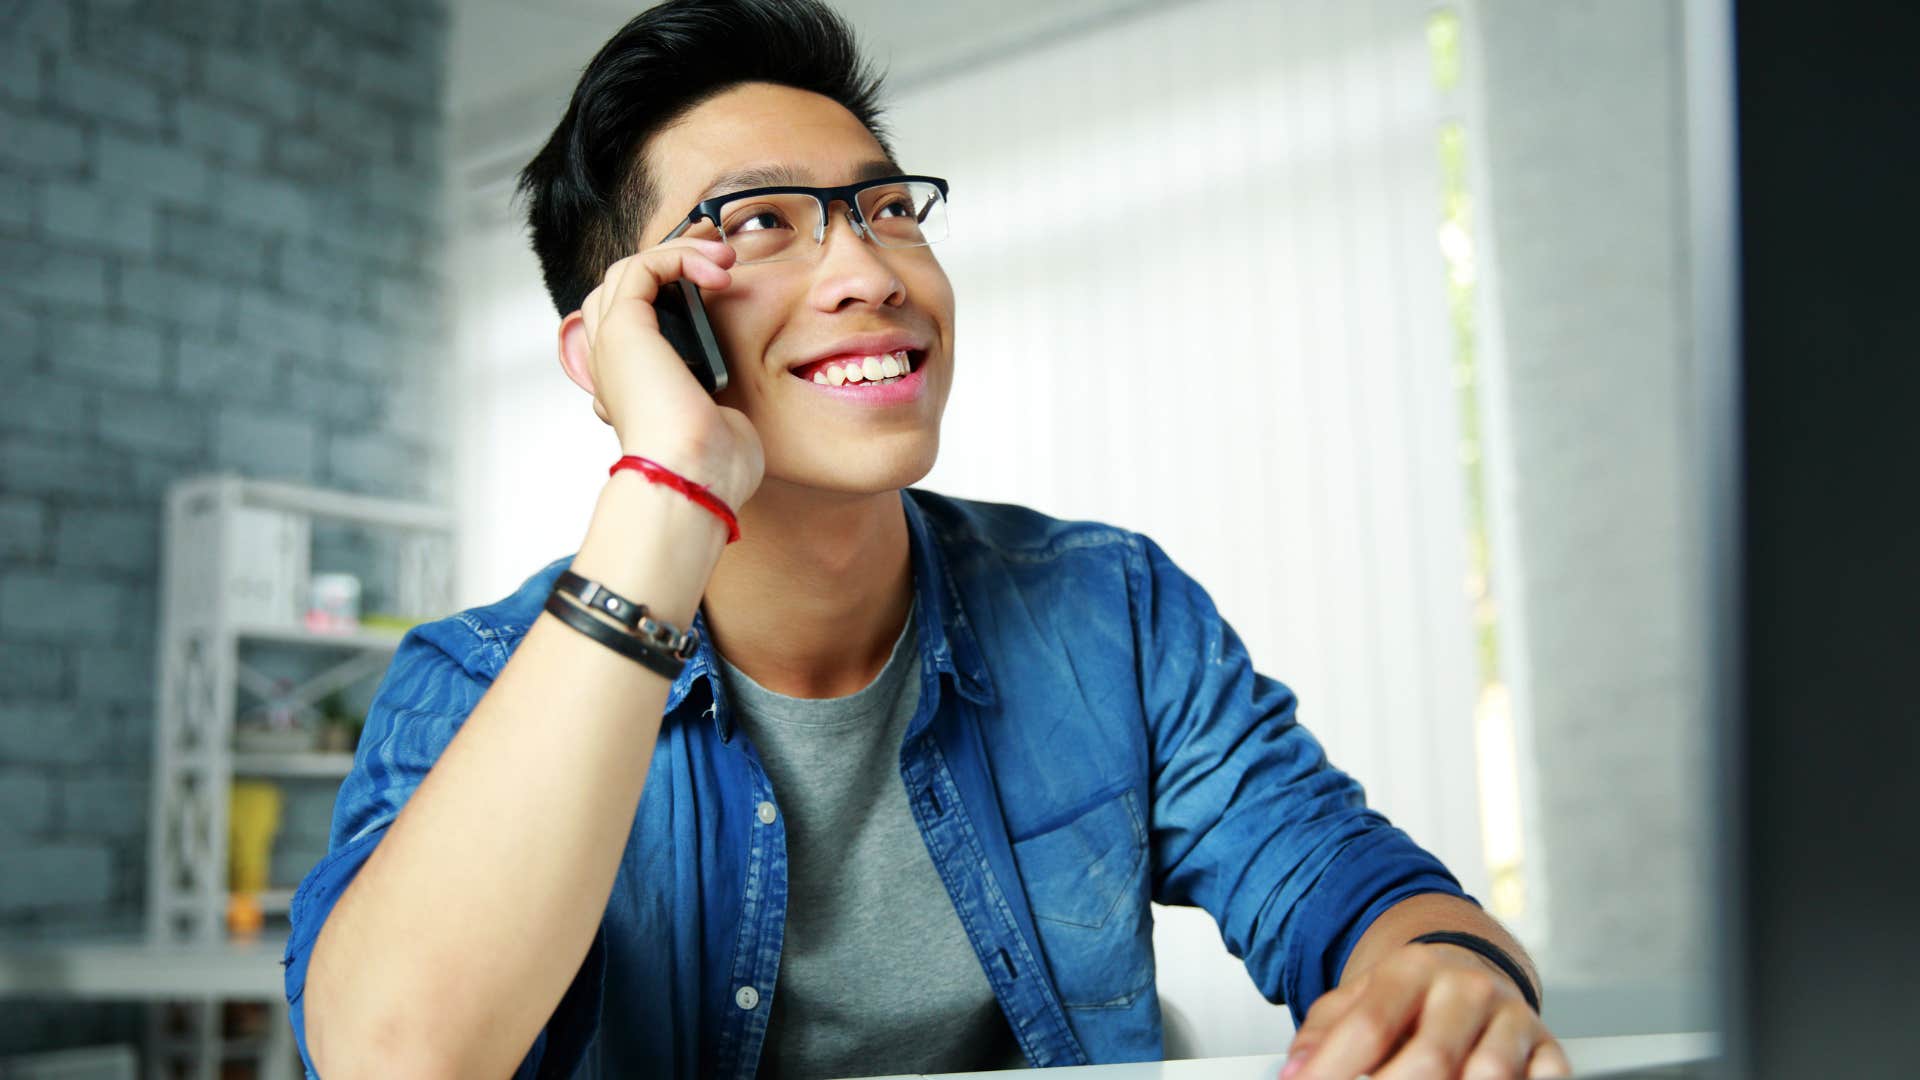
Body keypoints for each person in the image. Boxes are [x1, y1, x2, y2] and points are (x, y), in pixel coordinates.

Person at [284, 2, 1572, 1078]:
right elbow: (395, 1058)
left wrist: (1444, 977)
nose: (870, 269)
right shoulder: (469, 684)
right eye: (758, 224)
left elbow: (1347, 882)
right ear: (622, 337)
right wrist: (667, 481)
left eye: (886, 208)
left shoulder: (1106, 609)